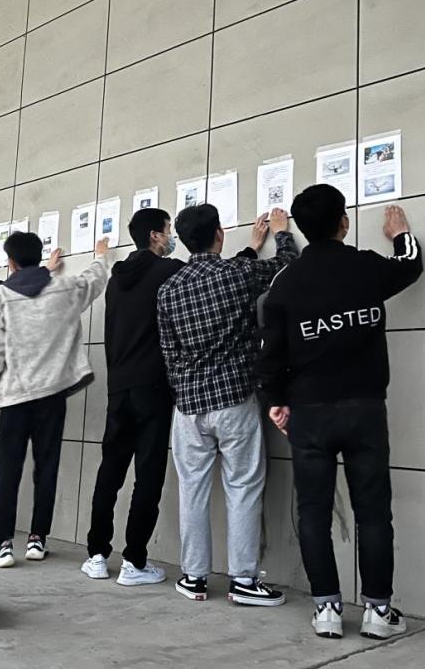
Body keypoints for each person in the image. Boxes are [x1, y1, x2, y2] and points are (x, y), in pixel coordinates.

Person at [257, 185, 422, 639]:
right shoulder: (365, 266)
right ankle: (378, 612)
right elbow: (410, 265)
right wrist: (401, 234)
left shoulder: (285, 281)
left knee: (313, 512)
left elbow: (270, 355)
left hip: (309, 413)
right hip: (365, 408)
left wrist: (276, 402)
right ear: (343, 223)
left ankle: (327, 609)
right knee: (373, 512)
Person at [80, 208, 269, 585]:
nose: (171, 238)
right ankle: (134, 561)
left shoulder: (117, 280)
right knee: (148, 473)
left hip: (119, 385)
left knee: (110, 469)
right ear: (155, 236)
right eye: (167, 231)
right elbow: (215, 277)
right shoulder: (169, 273)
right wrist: (251, 249)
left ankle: (97, 554)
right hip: (153, 386)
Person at [157, 204, 298, 605]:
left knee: (193, 490)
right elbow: (286, 266)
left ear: (184, 241)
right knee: (243, 487)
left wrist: (185, 389)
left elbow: (169, 353)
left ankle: (194, 577)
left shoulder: (169, 289)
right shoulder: (238, 274)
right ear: (219, 234)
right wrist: (281, 232)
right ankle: (244, 581)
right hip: (234, 399)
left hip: (188, 407)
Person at [0, 232, 109, 568]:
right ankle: (38, 539)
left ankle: (0, 544)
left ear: (11, 262)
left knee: (9, 470)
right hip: (52, 395)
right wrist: (100, 255)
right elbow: (93, 281)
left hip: (15, 396)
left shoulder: (2, 295)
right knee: (46, 467)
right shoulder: (64, 288)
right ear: (40, 256)